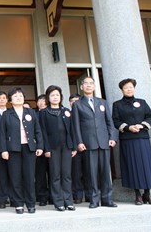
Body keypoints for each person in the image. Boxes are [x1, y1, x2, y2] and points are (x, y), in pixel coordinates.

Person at [71, 76, 118, 209]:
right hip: (88, 142)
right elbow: (76, 126)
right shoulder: (77, 104)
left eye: (91, 83)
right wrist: (79, 141)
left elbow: (110, 122)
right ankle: (93, 199)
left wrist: (112, 137)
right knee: (91, 173)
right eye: (86, 84)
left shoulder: (102, 102)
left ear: (94, 86)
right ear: (81, 87)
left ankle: (107, 199)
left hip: (104, 142)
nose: (88, 86)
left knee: (105, 172)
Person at [112, 78, 151, 205]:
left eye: (131, 87)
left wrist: (142, 125)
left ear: (134, 88)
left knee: (146, 166)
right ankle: (137, 195)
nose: (129, 89)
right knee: (133, 166)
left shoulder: (142, 102)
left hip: (142, 138)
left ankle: (147, 194)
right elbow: (116, 121)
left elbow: (149, 116)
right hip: (128, 139)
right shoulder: (117, 105)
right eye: (126, 87)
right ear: (122, 90)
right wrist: (128, 127)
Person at [0, 87, 43, 214]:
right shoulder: (7, 114)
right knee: (15, 177)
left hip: (29, 148)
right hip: (13, 149)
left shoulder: (31, 112)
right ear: (10, 100)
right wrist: (3, 150)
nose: (18, 97)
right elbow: (2, 134)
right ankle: (18, 203)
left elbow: (38, 131)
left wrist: (40, 146)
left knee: (29, 177)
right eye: (15, 96)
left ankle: (30, 203)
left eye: (20, 95)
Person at [39, 85, 77, 211]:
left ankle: (68, 200)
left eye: (57, 95)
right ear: (48, 98)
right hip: (52, 148)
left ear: (61, 97)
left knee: (66, 174)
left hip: (67, 146)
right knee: (55, 175)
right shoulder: (44, 113)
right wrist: (46, 149)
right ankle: (58, 201)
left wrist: (74, 146)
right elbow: (43, 132)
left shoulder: (66, 111)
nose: (55, 97)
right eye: (52, 95)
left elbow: (72, 130)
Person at [69, 93, 91, 204]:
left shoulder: (85, 113)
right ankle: (77, 195)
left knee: (88, 171)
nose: (74, 102)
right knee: (76, 173)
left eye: (76, 100)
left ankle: (89, 195)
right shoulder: (67, 114)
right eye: (72, 100)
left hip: (87, 146)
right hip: (74, 147)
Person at [35, 94, 50, 206]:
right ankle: (42, 197)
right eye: (39, 100)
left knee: (53, 174)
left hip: (52, 148)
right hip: (39, 149)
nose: (41, 102)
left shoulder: (52, 113)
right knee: (40, 175)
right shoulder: (34, 115)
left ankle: (53, 196)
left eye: (43, 100)